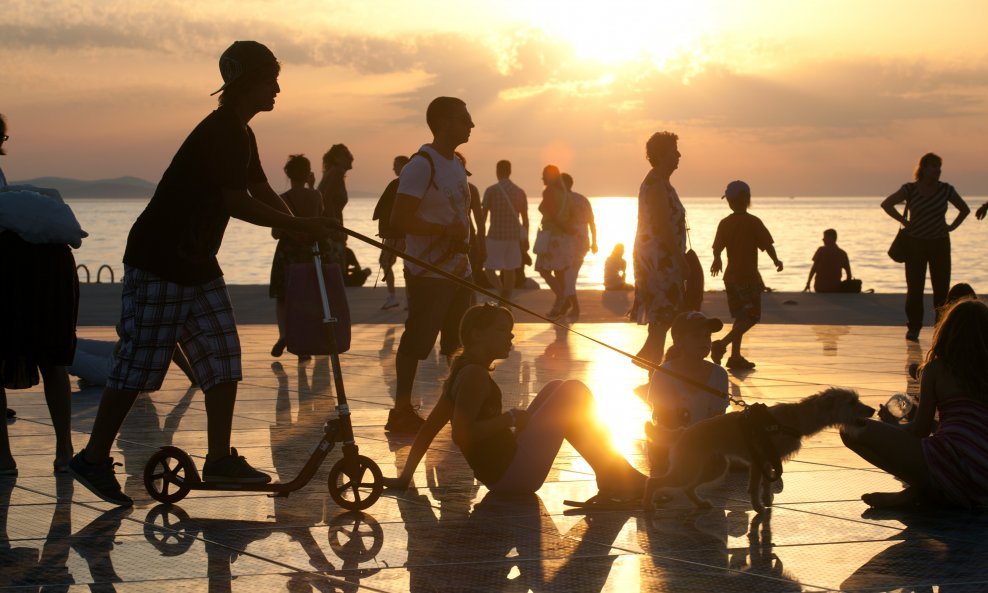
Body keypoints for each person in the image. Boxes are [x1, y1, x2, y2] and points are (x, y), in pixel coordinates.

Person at [68, 41, 335, 506]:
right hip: (161, 258)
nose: (277, 86)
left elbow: (258, 186)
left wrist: (296, 225)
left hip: (197, 261)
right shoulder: (222, 132)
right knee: (138, 365)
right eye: (270, 77)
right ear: (245, 82)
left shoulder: (241, 133)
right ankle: (91, 458)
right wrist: (295, 224)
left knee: (222, 354)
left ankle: (219, 459)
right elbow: (236, 201)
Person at [383, 304, 646, 503]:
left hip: (503, 474)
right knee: (574, 392)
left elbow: (429, 428)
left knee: (557, 387)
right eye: (501, 331)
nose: (510, 338)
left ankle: (613, 477)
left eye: (509, 332)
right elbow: (462, 435)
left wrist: (404, 478)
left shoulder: (463, 370)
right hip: (514, 477)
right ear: (477, 335)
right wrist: (507, 419)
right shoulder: (474, 376)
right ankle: (617, 478)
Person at [840, 298, 988, 510]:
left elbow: (920, 430)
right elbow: (969, 427)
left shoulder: (937, 369)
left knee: (850, 428)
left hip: (949, 461)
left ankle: (921, 489)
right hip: (983, 478)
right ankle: (925, 492)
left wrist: (893, 425)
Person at [385, 96, 474, 434]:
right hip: (429, 271)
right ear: (445, 121)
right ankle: (401, 409)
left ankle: (455, 409)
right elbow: (401, 217)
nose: (471, 125)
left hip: (459, 270)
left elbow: (461, 214)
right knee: (418, 340)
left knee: (458, 341)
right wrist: (442, 230)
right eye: (465, 119)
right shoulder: (422, 165)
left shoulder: (455, 163)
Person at [0, 113, 77, 476]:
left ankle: (5, 457)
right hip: (47, 269)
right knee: (53, 363)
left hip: (19, 272)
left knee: (50, 361)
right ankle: (64, 450)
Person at [881, 153, 970, 342]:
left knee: (941, 288)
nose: (937, 171)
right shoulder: (910, 189)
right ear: (923, 169)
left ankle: (941, 327)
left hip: (940, 243)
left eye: (939, 167)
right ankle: (914, 327)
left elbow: (964, 209)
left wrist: (952, 227)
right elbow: (887, 204)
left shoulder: (946, 189)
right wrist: (904, 220)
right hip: (915, 244)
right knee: (915, 288)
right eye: (933, 167)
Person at [710, 180, 783, 371]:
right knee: (751, 317)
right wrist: (776, 260)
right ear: (746, 198)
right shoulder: (752, 222)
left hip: (730, 278)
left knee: (740, 317)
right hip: (747, 278)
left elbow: (717, 248)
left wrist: (716, 260)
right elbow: (767, 245)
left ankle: (735, 357)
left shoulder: (725, 223)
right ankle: (722, 344)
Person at [646, 311, 729, 474]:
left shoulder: (719, 374)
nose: (704, 341)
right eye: (697, 336)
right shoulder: (663, 373)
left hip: (706, 442)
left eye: (707, 336)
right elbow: (664, 421)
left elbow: (717, 420)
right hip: (671, 442)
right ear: (679, 341)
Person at [632, 132, 688, 366]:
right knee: (663, 316)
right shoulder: (656, 184)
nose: (679, 155)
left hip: (661, 259)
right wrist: (680, 260)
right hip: (659, 262)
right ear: (663, 154)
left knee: (663, 317)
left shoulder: (661, 182)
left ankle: (650, 364)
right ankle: (650, 366)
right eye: (674, 151)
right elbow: (662, 227)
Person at [269, 154, 326, 358]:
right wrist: (312, 187)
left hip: (287, 253)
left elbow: (276, 232)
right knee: (307, 297)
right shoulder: (316, 196)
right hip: (309, 252)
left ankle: (284, 334)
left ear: (287, 174)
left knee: (282, 297)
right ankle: (304, 343)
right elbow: (319, 221)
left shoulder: (282, 199)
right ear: (308, 173)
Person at [482, 159, 529, 302]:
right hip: (513, 238)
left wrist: (480, 237)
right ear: (510, 172)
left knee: (489, 268)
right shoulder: (519, 191)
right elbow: (525, 219)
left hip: (495, 236)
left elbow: (482, 217)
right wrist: (525, 239)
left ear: (497, 172)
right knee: (510, 269)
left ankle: (500, 291)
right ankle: (506, 297)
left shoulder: (491, 190)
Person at [534, 165, 577, 319]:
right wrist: (567, 229)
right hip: (563, 238)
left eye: (544, 175)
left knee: (542, 269)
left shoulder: (549, 191)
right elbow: (572, 214)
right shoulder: (564, 193)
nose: (542, 178)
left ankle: (561, 297)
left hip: (552, 236)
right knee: (559, 272)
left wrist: (562, 227)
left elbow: (551, 214)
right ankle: (560, 303)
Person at [372, 155, 410, 310]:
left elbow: (386, 208)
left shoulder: (398, 184)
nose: (393, 168)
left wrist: (385, 230)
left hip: (396, 234)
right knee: (407, 265)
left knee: (386, 262)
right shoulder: (408, 184)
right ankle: (406, 297)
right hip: (405, 233)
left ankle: (393, 296)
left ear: (404, 166)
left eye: (396, 165)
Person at [562, 172, 597, 318]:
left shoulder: (563, 200)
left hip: (569, 241)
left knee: (567, 274)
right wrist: (595, 242)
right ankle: (566, 303)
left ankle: (574, 306)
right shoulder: (582, 199)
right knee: (570, 273)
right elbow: (592, 222)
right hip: (583, 240)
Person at [803, 229, 852, 293]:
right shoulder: (842, 253)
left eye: (825, 237)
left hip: (820, 288)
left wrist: (808, 283)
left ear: (831, 238)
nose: (823, 239)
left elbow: (813, 269)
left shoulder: (821, 250)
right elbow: (849, 273)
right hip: (835, 288)